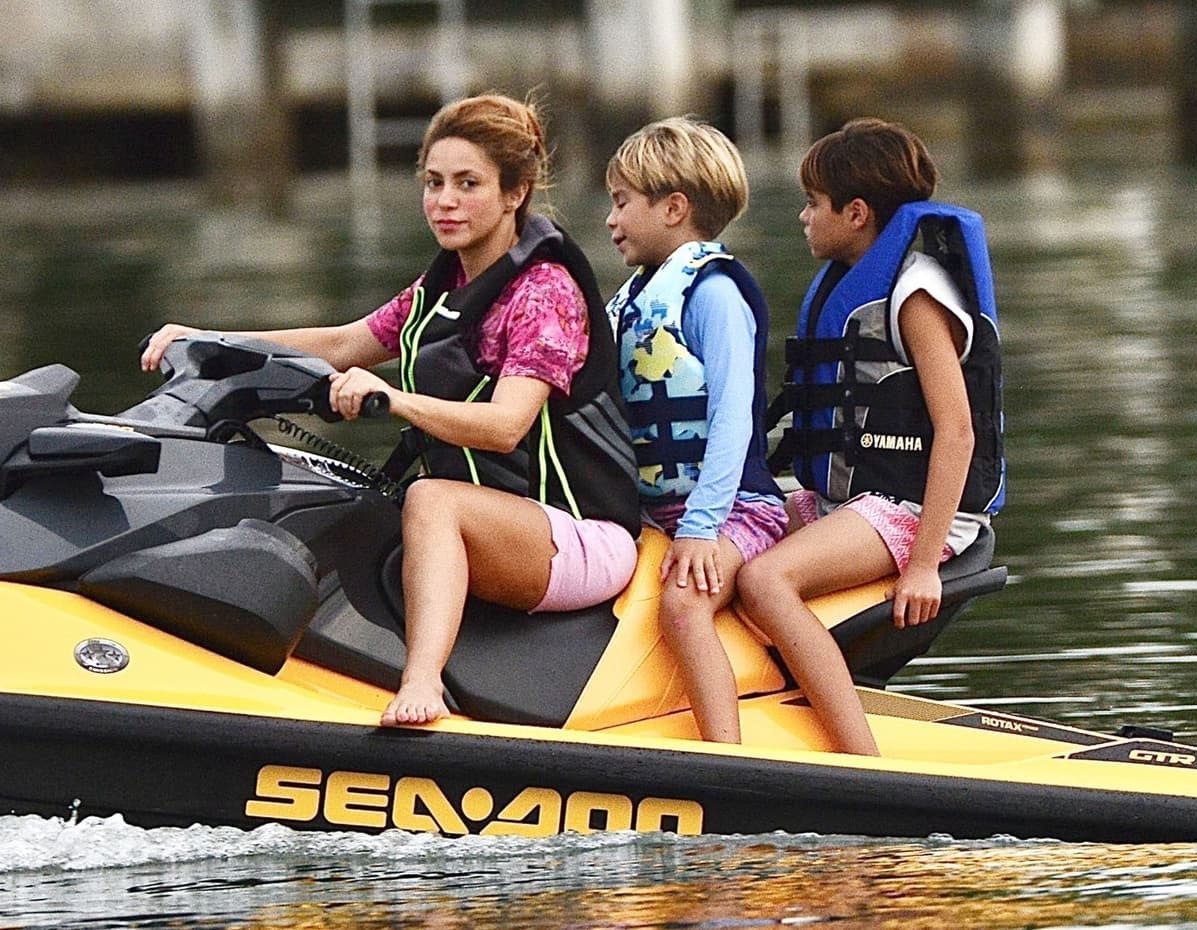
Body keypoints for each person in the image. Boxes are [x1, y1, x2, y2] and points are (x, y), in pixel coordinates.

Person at [141, 93, 641, 727]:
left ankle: (423, 681)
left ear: (514, 194)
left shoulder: (545, 293)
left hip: (578, 535)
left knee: (429, 498)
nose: (445, 201)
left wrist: (395, 399)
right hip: (498, 523)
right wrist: (208, 341)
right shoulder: (447, 285)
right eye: (433, 184)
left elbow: (506, 424)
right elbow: (347, 342)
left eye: (468, 184)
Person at [735, 117, 1006, 756]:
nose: (802, 217)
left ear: (856, 213)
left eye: (812, 203)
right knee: (731, 545)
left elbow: (959, 431)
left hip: (915, 514)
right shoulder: (856, 282)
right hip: (858, 504)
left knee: (765, 581)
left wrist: (921, 568)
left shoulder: (915, 295)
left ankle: (860, 757)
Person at [604, 117, 788, 743]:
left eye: (622, 202)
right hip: (662, 511)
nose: (611, 220)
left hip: (736, 507)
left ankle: (727, 760)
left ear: (674, 208)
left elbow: (733, 418)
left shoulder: (713, 295)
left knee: (682, 605)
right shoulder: (637, 296)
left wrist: (704, 527)